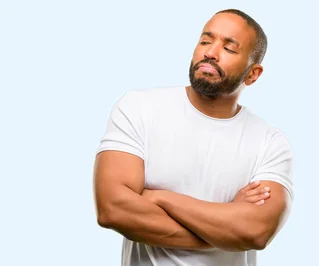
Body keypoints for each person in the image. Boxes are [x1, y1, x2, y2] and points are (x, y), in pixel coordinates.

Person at [93, 9, 294, 266]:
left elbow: (256, 232)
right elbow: (113, 210)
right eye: (205, 41)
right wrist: (225, 229)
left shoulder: (270, 142)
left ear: (253, 74)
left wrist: (160, 197)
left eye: (229, 49)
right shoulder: (138, 108)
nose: (210, 52)